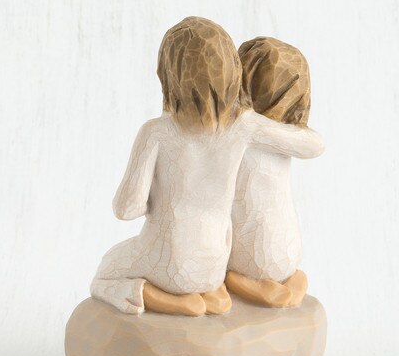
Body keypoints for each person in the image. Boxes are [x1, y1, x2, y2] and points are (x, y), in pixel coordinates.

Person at [91, 19, 324, 316]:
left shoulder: (156, 132)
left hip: (172, 261)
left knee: (107, 268)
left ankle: (168, 299)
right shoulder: (244, 126)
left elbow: (126, 209)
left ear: (167, 76)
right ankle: (213, 295)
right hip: (214, 264)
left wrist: (159, 199)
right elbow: (313, 145)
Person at [226, 37, 323, 307]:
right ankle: (291, 285)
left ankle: (253, 287)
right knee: (293, 271)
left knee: (225, 272)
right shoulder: (289, 137)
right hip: (288, 249)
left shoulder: (241, 126)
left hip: (246, 256)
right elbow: (316, 144)